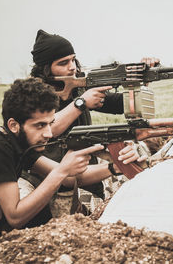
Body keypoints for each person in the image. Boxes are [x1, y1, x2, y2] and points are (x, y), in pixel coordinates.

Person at [0, 77, 140, 263]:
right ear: (14, 125)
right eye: (40, 125)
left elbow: (70, 179)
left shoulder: (18, 143)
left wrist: (115, 167)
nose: (49, 133)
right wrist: (61, 172)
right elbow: (15, 215)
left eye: (50, 123)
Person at [26, 29, 157, 209]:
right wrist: (81, 103)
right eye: (63, 63)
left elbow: (122, 105)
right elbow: (49, 129)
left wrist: (140, 79)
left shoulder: (77, 89)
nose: (72, 67)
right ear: (46, 69)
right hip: (53, 187)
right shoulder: (33, 94)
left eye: (73, 59)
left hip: (88, 177)